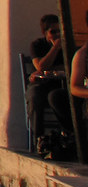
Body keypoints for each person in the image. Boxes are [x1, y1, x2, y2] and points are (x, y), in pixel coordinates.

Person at [27, 13, 71, 143]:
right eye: (53, 31)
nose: (57, 35)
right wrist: (55, 48)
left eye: (59, 31)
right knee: (34, 96)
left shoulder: (68, 45)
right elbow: (41, 66)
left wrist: (52, 69)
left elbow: (70, 66)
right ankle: (39, 137)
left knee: (57, 97)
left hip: (60, 84)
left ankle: (68, 133)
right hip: (42, 83)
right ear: (44, 32)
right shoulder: (37, 45)